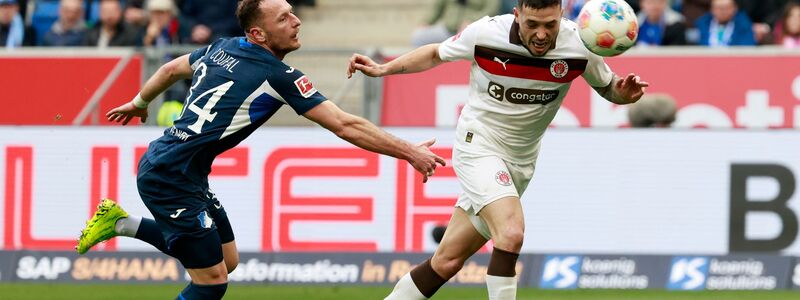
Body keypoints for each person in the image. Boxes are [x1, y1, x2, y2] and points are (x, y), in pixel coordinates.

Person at [75, 0, 446, 299]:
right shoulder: (278, 75)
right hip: (168, 177)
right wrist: (409, 151)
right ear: (258, 33)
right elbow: (345, 124)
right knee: (212, 282)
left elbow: (172, 68)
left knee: (227, 260)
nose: (297, 21)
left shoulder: (222, 47)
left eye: (293, 12)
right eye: (284, 18)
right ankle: (123, 224)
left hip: (184, 170)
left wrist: (140, 101)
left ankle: (121, 222)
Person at [347, 0, 648, 299]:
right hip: (478, 145)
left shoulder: (579, 44)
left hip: (521, 162)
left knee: (447, 261)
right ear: (517, 16)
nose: (542, 34)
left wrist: (623, 94)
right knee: (512, 233)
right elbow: (435, 54)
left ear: (561, 16)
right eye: (532, 24)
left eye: (550, 25)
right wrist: (383, 68)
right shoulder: (486, 34)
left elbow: (610, 87)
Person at [412, 0, 501, 47]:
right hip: (448, 30)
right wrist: (426, 22)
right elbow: (437, 8)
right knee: (419, 37)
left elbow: (492, 10)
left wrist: (472, 21)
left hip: (473, 32)